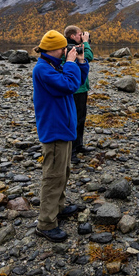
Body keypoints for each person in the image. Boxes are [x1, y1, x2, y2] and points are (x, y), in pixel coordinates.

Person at [32, 30, 89, 242]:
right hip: (54, 131)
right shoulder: (43, 70)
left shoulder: (53, 66)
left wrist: (80, 63)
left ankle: (59, 208)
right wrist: (72, 63)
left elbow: (77, 83)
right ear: (57, 49)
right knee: (53, 177)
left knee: (63, 172)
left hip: (63, 129)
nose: (67, 51)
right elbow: (69, 84)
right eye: (64, 48)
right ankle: (46, 223)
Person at [63, 25, 93, 164]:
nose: (82, 36)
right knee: (74, 120)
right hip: (75, 90)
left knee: (81, 118)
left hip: (81, 89)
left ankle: (79, 145)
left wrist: (84, 42)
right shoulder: (69, 48)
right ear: (72, 36)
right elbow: (88, 56)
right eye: (79, 34)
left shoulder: (75, 46)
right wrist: (86, 42)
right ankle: (71, 152)